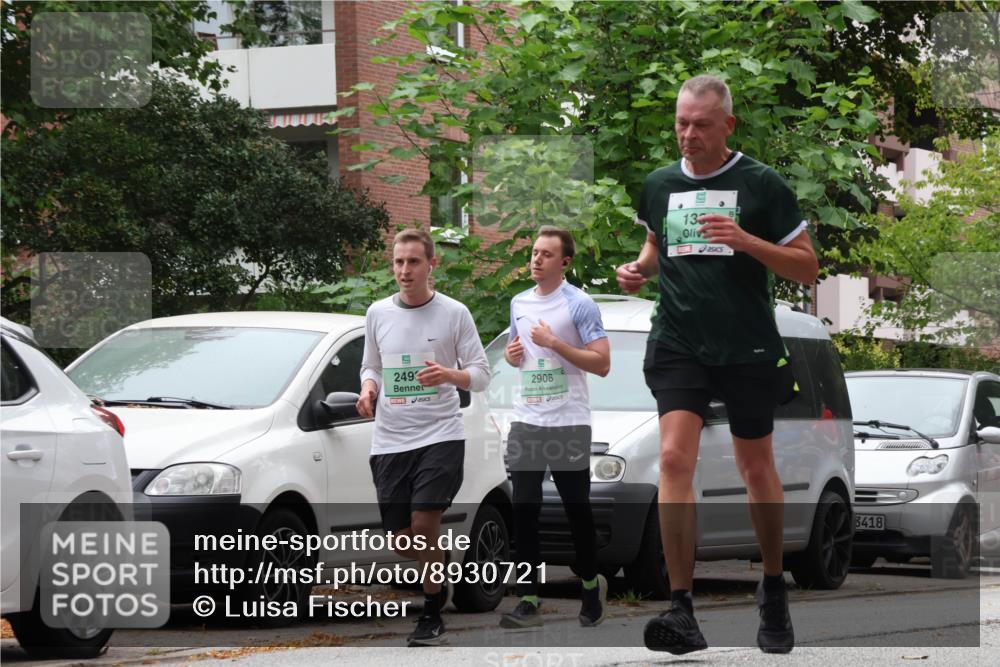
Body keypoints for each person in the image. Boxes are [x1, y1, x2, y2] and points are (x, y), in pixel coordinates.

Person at [615, 75, 819, 655]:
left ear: (727, 125)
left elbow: (806, 268)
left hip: (748, 346)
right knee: (674, 459)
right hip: (679, 342)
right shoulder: (658, 185)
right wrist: (639, 270)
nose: (689, 134)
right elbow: (656, 250)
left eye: (702, 124)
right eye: (682, 122)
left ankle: (773, 584)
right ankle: (681, 610)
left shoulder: (761, 184)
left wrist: (747, 240)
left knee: (755, 468)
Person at [357, 228, 490, 647]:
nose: (404, 270)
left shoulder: (454, 313)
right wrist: (368, 389)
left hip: (440, 434)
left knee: (424, 521)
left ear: (432, 264)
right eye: (398, 262)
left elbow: (482, 374)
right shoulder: (378, 313)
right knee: (402, 541)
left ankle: (431, 612)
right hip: (391, 439)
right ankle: (439, 564)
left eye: (413, 261)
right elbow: (371, 366)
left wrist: (449, 374)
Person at [498, 226, 611, 629]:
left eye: (546, 254)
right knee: (524, 507)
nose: (536, 259)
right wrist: (513, 356)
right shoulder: (518, 302)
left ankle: (588, 584)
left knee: (575, 509)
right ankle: (528, 597)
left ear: (564, 262)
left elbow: (602, 363)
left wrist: (554, 343)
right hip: (527, 419)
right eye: (533, 252)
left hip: (568, 421)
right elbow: (519, 354)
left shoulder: (579, 304)